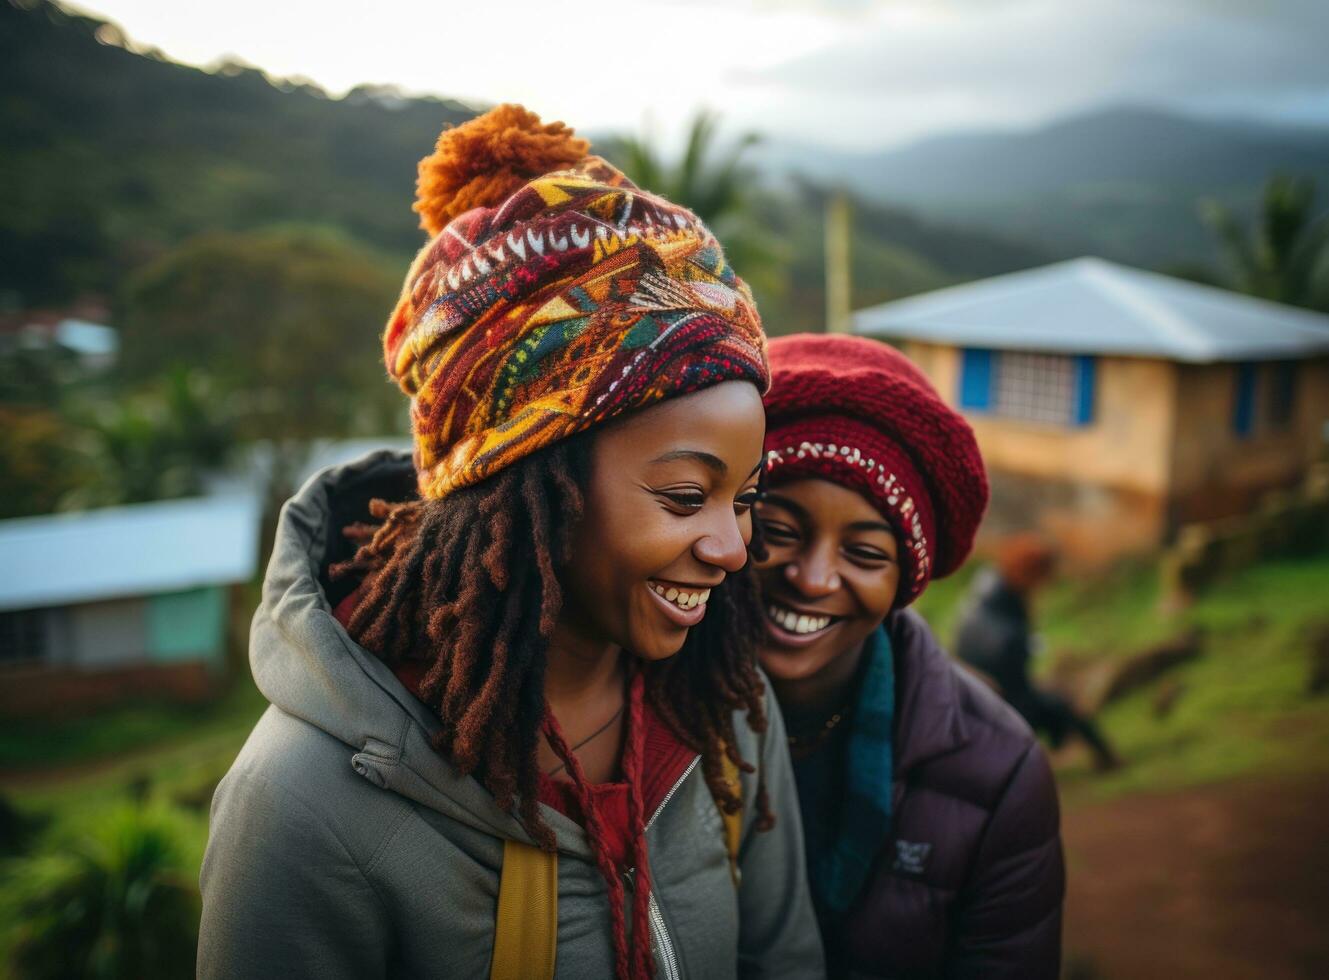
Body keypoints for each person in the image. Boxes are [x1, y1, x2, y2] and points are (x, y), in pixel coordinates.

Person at [198, 106, 823, 980]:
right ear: (527, 484)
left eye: (744, 499)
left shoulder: (722, 711)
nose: (728, 547)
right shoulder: (306, 807)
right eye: (686, 497)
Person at [754, 334, 1064, 979]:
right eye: (777, 532)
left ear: (905, 583)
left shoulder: (999, 772)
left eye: (864, 554)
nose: (812, 579)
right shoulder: (625, 706)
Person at [955, 534, 1120, 771]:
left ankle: (1093, 753)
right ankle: (1096, 755)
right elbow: (1016, 680)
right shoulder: (1009, 626)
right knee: (1062, 707)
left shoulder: (988, 584)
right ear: (1031, 575)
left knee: (1056, 703)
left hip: (982, 686)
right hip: (1001, 695)